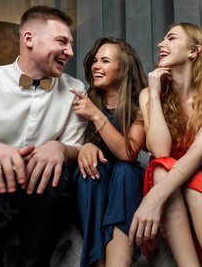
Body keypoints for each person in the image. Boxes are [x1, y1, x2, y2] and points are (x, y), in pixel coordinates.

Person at [0, 6, 87, 267]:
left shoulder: (75, 89)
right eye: (62, 41)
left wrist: (60, 148)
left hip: (44, 194)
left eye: (70, 44)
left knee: (58, 182)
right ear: (28, 39)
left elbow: (77, 150)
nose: (69, 51)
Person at [128, 23, 202, 266]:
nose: (161, 44)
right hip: (162, 173)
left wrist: (154, 198)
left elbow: (199, 153)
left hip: (199, 176)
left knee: (191, 179)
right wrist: (155, 96)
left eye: (171, 38)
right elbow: (160, 150)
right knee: (160, 165)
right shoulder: (149, 94)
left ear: (193, 51)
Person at [70, 36, 147, 267]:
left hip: (125, 181)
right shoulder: (82, 99)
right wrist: (86, 146)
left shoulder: (139, 106)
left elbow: (129, 152)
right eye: (95, 60)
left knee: (125, 170)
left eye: (104, 60)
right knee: (91, 172)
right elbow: (71, 141)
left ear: (122, 69)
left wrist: (96, 115)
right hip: (92, 182)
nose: (96, 66)